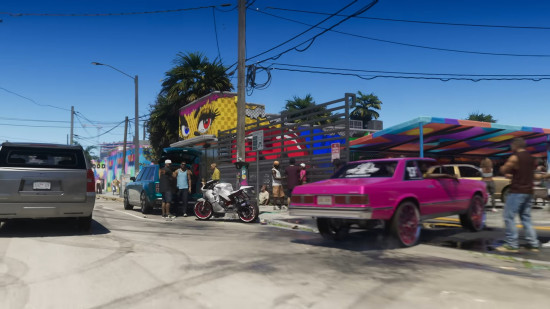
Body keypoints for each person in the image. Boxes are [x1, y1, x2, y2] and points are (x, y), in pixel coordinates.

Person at [496, 138, 550, 253]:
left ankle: (512, 244)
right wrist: (544, 176)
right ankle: (533, 244)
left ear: (515, 145)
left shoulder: (515, 157)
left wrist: (503, 168)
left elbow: (504, 169)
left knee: (508, 217)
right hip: (529, 191)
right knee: (526, 218)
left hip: (517, 191)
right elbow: (532, 176)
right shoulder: (531, 159)